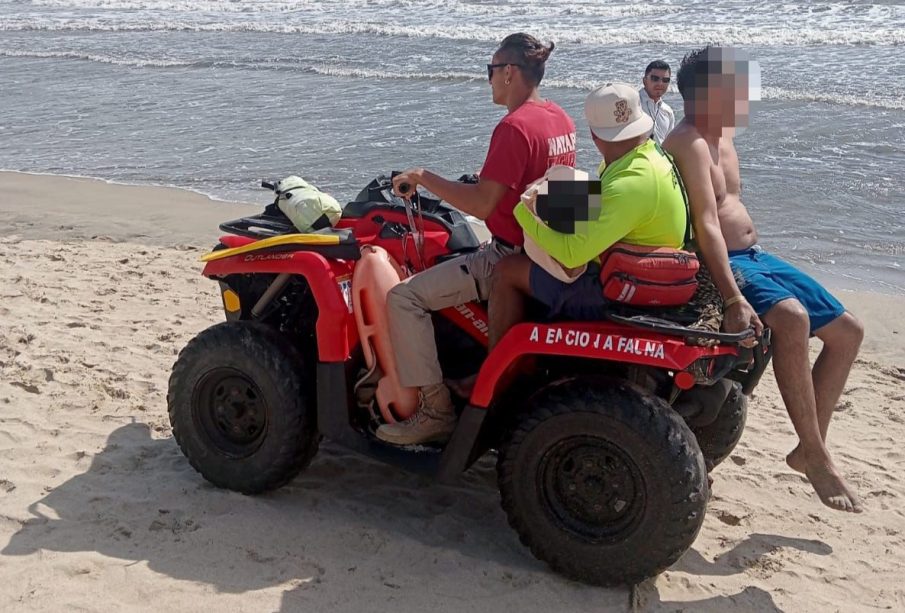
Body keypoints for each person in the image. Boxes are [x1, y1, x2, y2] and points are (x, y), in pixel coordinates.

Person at [663, 46, 864, 513]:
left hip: (757, 254)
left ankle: (810, 444)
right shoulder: (688, 142)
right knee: (791, 319)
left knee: (848, 332)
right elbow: (707, 226)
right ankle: (814, 454)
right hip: (726, 260)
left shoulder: (723, 135)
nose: (745, 94)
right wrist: (733, 298)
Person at [376, 33, 577, 446]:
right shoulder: (560, 118)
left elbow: (483, 205)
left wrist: (422, 177)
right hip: (550, 249)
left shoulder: (513, 127)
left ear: (508, 73)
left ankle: (434, 411)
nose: (487, 80)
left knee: (404, 297)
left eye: (490, 71)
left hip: (511, 251)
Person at [488, 83, 688, 347]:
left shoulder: (630, 182)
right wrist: (552, 197)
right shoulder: (650, 157)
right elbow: (610, 204)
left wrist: (521, 211)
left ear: (594, 135)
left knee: (506, 270)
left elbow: (572, 254)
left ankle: (497, 379)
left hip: (622, 288)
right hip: (641, 266)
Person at [640, 60, 676, 145]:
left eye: (665, 80)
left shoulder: (668, 111)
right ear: (644, 81)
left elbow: (669, 145)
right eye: (655, 78)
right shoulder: (632, 105)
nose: (660, 83)